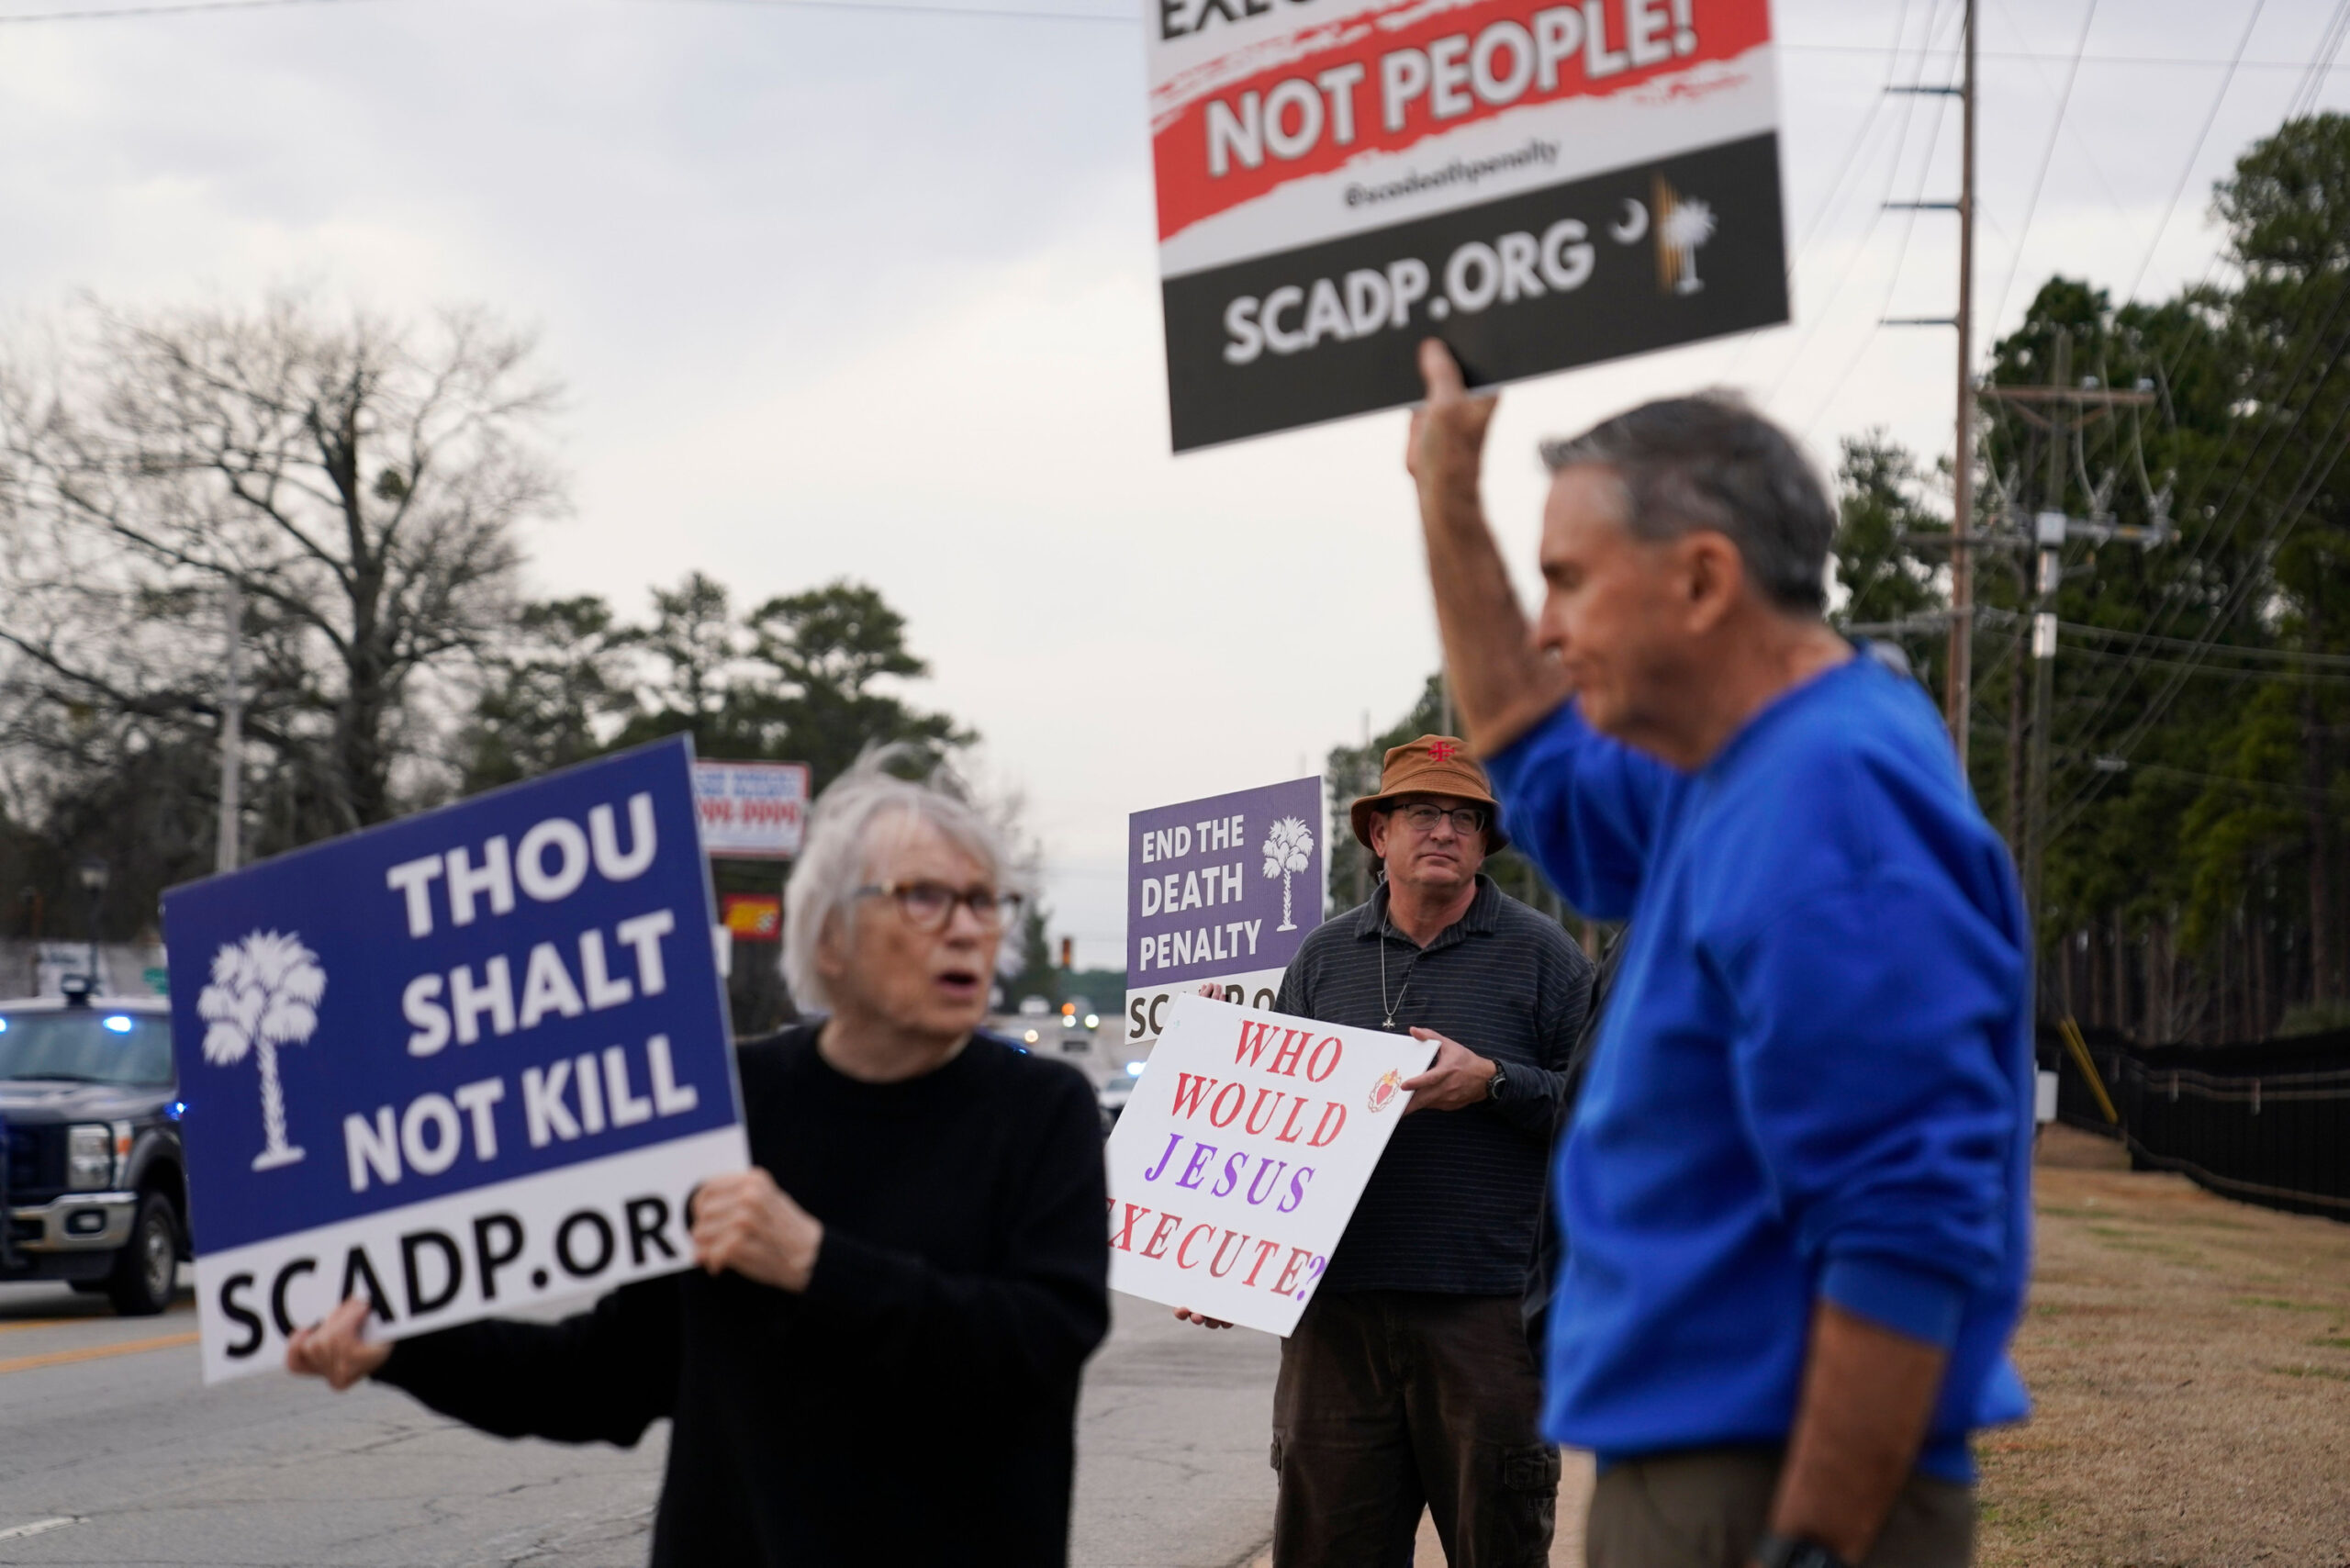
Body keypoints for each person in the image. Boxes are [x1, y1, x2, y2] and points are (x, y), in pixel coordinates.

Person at [1402, 340, 2032, 1568]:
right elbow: (1538, 755)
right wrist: (1443, 494)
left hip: (1765, 1489)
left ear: (1701, 581)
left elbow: (1904, 1218)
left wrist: (1814, 1545)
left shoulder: (1830, 797)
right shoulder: (1745, 766)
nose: (1546, 628)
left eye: (1570, 581)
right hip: (1715, 1468)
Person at [285, 757, 1111, 1567]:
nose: (968, 927)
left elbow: (1037, 1345)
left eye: (982, 901)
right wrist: (400, 1347)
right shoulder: (729, 1108)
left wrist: (815, 1263)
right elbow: (606, 1378)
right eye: (924, 897)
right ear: (828, 938)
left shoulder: (1044, 1113)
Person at [1183, 734, 1595, 1568]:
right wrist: (1215, 1260)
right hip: (1335, 1317)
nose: (1442, 831)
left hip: (1486, 1317)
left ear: (1484, 841)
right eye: (1421, 813)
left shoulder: (1543, 957)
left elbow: (1609, 1117)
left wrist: (1496, 1082)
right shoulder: (1323, 959)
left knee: (1500, 1544)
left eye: (1463, 818)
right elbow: (1263, 1123)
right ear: (1379, 835)